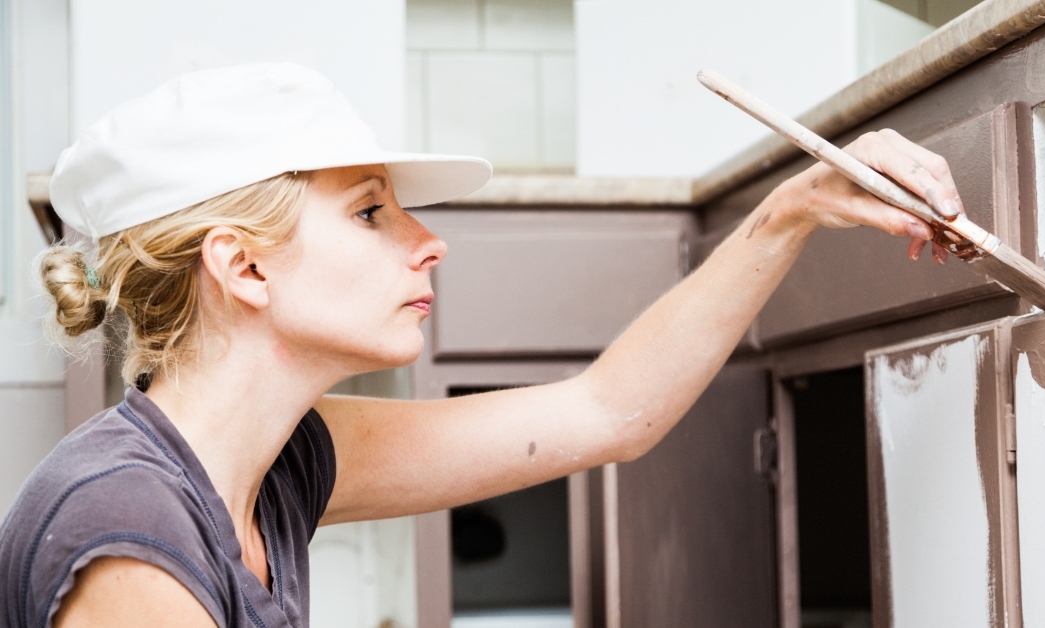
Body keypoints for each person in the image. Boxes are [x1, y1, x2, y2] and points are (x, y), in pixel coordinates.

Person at [0, 63, 962, 628]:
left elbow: (607, 414)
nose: (428, 238)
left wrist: (793, 210)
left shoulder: (279, 462)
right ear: (243, 269)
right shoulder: (128, 536)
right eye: (371, 211)